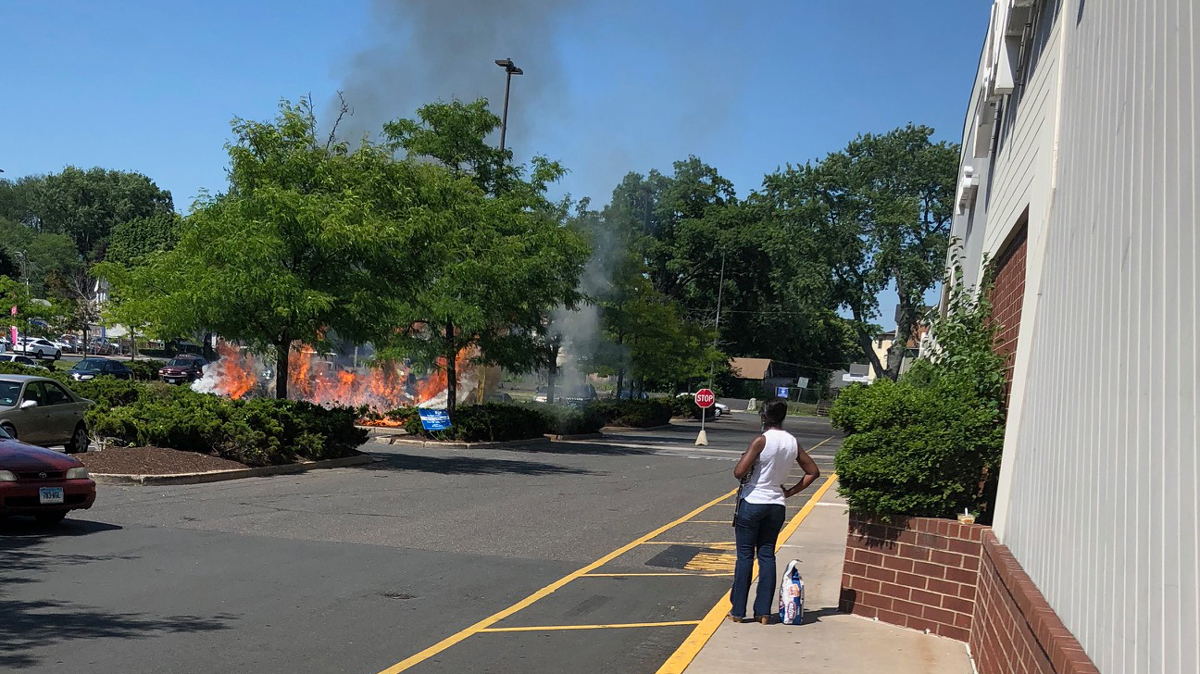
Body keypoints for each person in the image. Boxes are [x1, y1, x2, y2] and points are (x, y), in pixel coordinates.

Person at [728, 398, 821, 624]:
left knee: (745, 557)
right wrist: (789, 492)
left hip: (753, 501)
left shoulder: (761, 441)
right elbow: (813, 472)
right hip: (776, 504)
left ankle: (738, 611)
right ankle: (763, 612)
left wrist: (746, 459)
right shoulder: (792, 442)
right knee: (767, 555)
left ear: (763, 417)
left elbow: (739, 472)